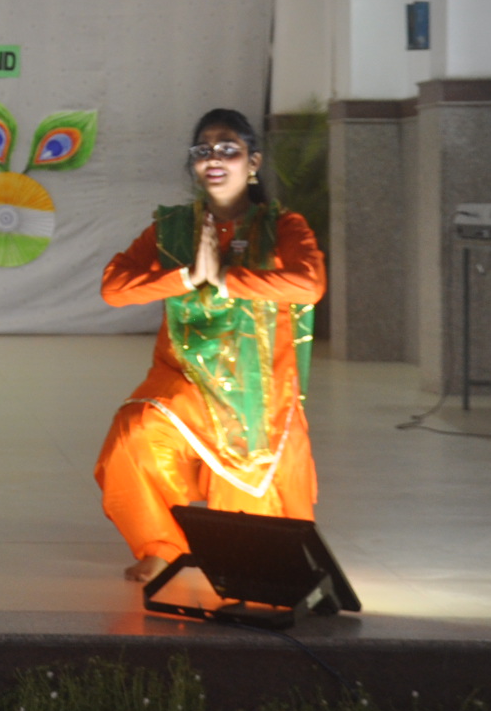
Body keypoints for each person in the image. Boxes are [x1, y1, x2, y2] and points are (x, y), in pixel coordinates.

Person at [93, 109, 325, 583]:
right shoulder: (173, 229)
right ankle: (163, 546)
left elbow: (309, 285)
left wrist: (225, 278)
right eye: (203, 150)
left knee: (252, 551)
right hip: (187, 380)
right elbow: (114, 289)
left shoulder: (284, 226)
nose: (213, 159)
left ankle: (237, 555)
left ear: (253, 162)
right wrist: (184, 277)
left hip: (259, 393)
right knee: (134, 435)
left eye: (228, 149)